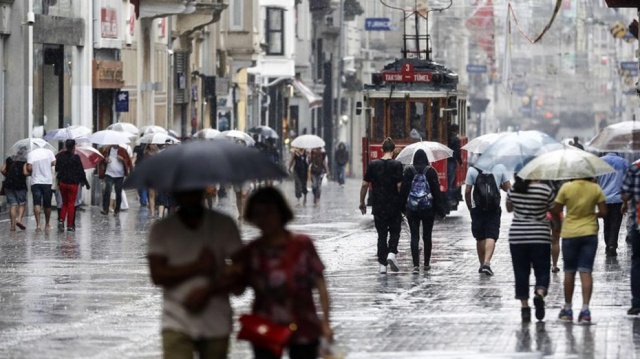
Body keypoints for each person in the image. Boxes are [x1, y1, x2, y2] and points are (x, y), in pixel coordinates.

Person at [233, 187, 333, 359]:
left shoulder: (303, 244)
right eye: (258, 214)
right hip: (266, 325)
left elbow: (320, 284)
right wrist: (231, 270)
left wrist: (325, 321)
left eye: (269, 213)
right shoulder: (252, 251)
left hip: (303, 324)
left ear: (281, 212)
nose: (264, 220)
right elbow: (238, 290)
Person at [148, 189, 243, 359]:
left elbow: (242, 274)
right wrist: (197, 267)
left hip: (216, 323)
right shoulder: (162, 229)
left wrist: (208, 290)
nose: (189, 196)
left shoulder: (223, 225)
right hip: (176, 321)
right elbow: (157, 275)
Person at [551, 178, 607, 323]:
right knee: (586, 271)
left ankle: (568, 309)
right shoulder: (595, 188)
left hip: (570, 233)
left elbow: (556, 209)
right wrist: (593, 215)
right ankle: (585, 310)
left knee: (569, 271)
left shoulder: (566, 188)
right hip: (589, 233)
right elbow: (604, 211)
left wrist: (558, 224)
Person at [506, 176, 559, 322]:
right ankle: (540, 294)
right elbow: (553, 209)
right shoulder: (545, 190)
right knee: (542, 269)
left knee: (521, 272)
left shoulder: (514, 189)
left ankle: (524, 307)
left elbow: (509, 208)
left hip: (517, 236)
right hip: (540, 235)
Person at [359, 138, 404, 274]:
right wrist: (401, 202)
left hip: (378, 206)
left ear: (382, 149)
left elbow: (364, 184)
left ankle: (382, 265)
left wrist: (362, 202)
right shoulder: (397, 165)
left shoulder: (373, 165)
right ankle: (392, 253)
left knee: (381, 235)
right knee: (395, 231)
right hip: (393, 205)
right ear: (393, 150)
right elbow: (399, 185)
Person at [400, 149, 443, 274]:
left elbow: (404, 190)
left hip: (412, 209)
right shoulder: (431, 171)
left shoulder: (408, 171)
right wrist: (440, 210)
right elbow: (436, 192)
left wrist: (402, 207)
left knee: (414, 236)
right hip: (427, 209)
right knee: (427, 236)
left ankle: (415, 266)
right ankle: (427, 264)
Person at [464, 162, 511, 276]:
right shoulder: (500, 167)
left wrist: (470, 207)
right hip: (493, 208)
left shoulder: (472, 170)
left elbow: (467, 191)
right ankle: (487, 263)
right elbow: (508, 188)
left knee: (480, 237)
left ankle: (481, 265)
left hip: (477, 208)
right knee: (491, 235)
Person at [597, 152, 629, 257]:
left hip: (603, 198)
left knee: (607, 222)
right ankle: (612, 246)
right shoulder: (623, 162)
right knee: (615, 223)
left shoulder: (599, 161)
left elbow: (595, 180)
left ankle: (608, 245)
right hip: (618, 198)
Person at [55, 140, 90, 232]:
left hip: (63, 183)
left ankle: (61, 220)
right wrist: (86, 183)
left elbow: (56, 168)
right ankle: (70, 225)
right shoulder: (76, 157)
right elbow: (81, 171)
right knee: (71, 204)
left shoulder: (60, 156)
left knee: (64, 203)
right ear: (74, 147)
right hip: (73, 184)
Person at [622, 161, 640, 315]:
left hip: (638, 223)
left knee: (637, 262)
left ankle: (636, 303)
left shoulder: (635, 168)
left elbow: (625, 195)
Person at [25, 148, 57, 231]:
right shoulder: (49, 152)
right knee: (47, 204)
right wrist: (46, 164)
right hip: (47, 182)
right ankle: (47, 224)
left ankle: (38, 225)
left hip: (35, 181)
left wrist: (35, 168)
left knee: (37, 202)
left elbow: (29, 168)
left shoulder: (31, 154)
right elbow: (54, 163)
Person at [98, 145, 132, 216]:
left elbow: (128, 161)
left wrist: (122, 159)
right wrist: (105, 160)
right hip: (109, 174)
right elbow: (101, 159)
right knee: (108, 190)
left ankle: (117, 210)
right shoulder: (107, 150)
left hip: (120, 175)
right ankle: (105, 209)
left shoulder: (122, 150)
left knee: (118, 192)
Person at [1, 148, 28, 231]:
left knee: (13, 205)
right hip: (20, 184)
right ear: (24, 153)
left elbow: (2, 169)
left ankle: (12, 226)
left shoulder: (9, 159)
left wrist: (8, 176)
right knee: (22, 203)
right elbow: (25, 173)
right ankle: (19, 220)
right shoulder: (25, 161)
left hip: (9, 184)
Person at [447, 124, 463, 203]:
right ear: (456, 130)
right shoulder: (455, 139)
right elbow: (457, 151)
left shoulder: (448, 138)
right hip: (452, 161)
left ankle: (449, 197)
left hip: (447, 160)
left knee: (449, 180)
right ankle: (449, 197)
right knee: (451, 180)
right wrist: (460, 161)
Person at [144, 144, 160, 218]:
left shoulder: (160, 153)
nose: (152, 145)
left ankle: (158, 207)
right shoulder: (146, 154)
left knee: (157, 194)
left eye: (154, 144)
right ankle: (152, 213)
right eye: (151, 144)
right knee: (151, 194)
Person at [132, 141, 148, 207]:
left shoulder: (136, 147)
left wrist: (131, 165)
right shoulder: (148, 147)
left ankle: (143, 199)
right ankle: (143, 200)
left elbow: (135, 157)